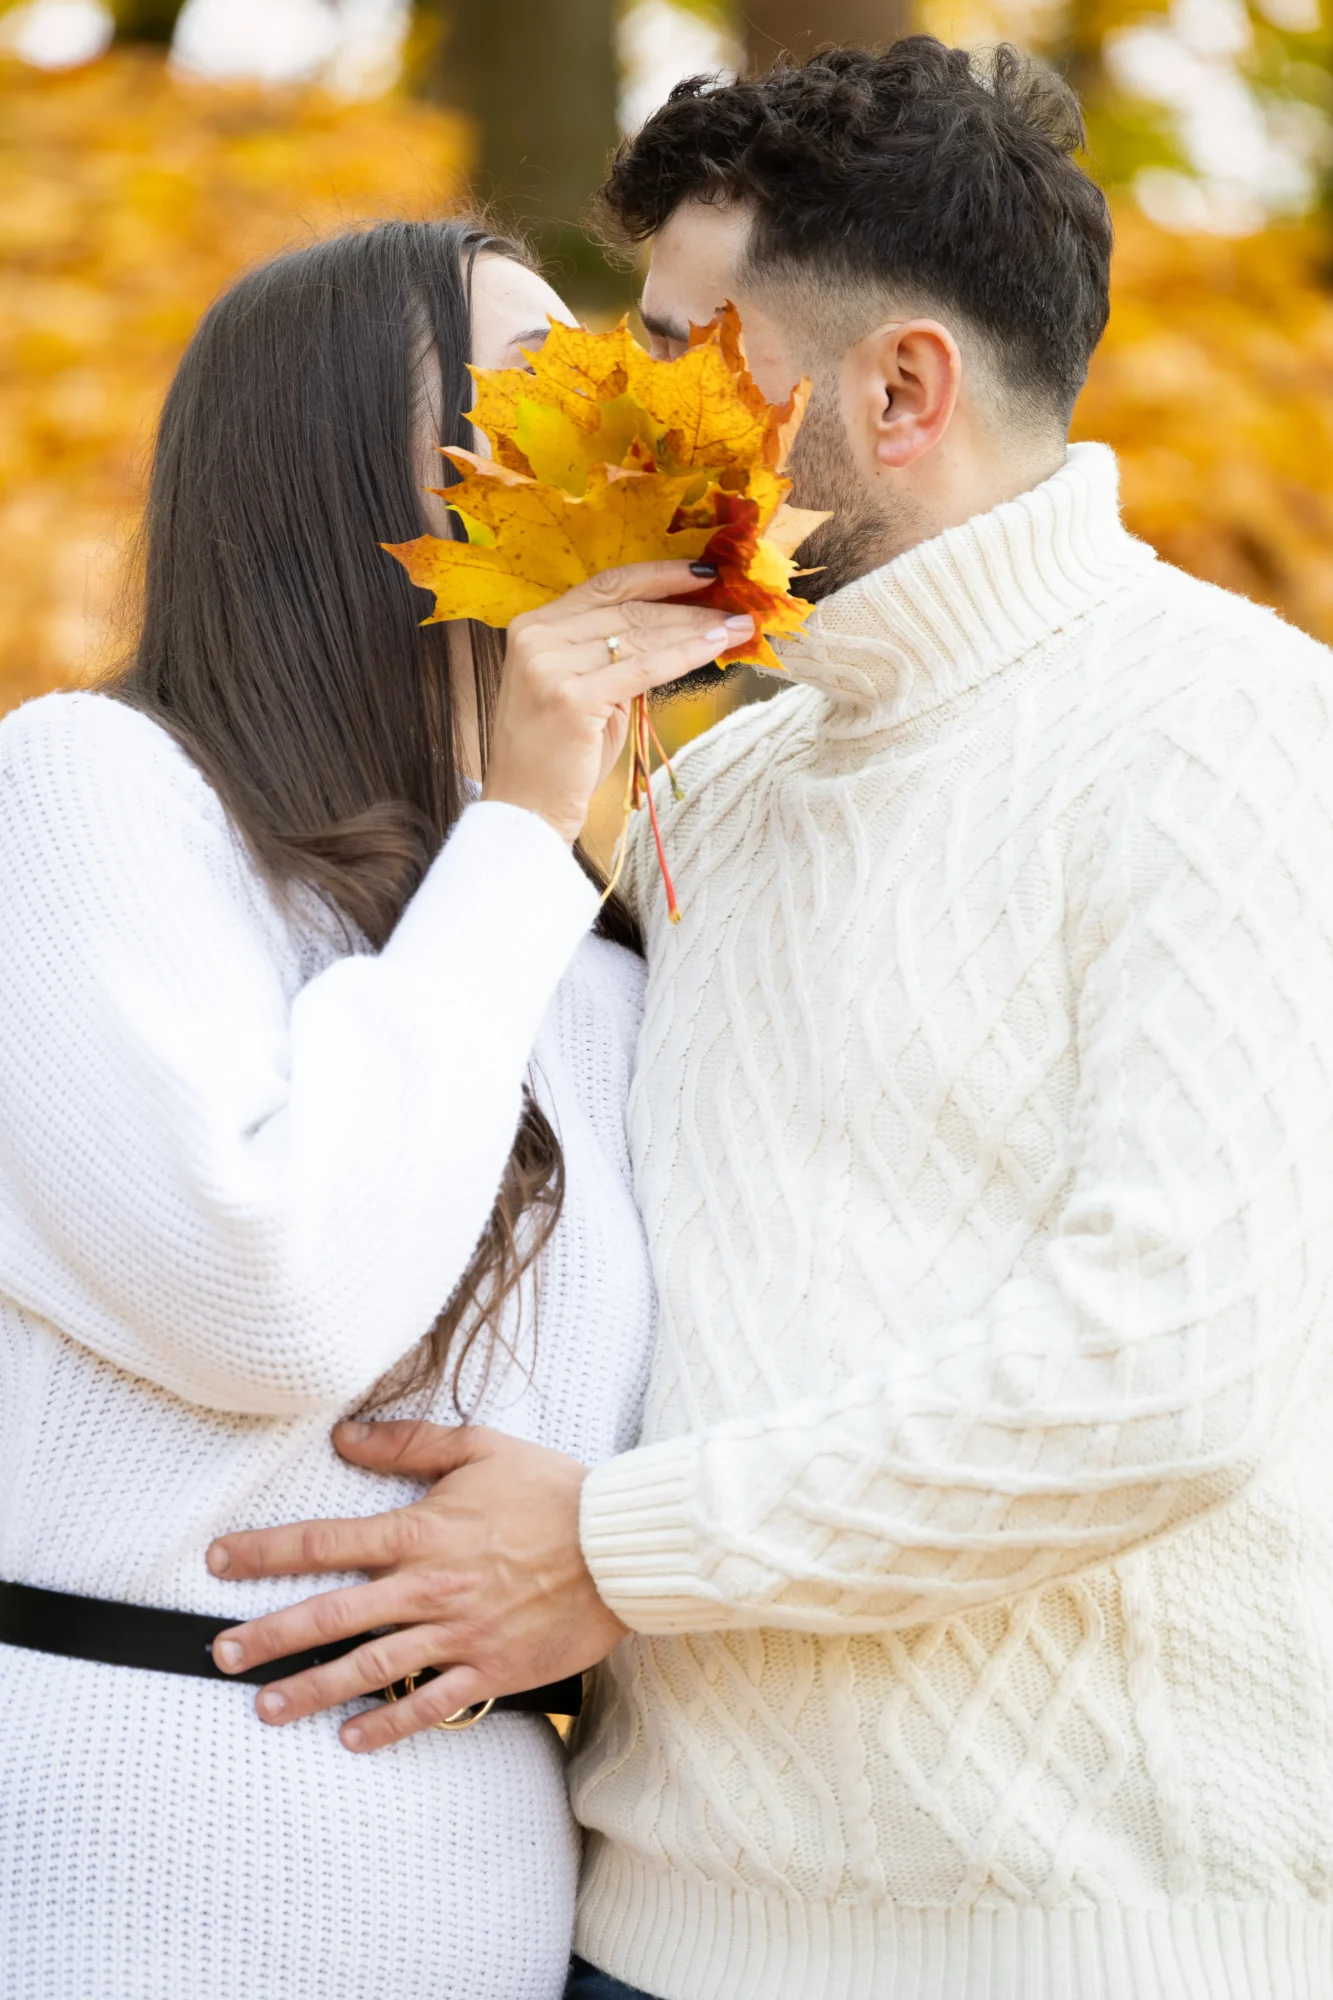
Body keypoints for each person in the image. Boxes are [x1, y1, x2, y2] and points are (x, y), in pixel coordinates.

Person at [204, 41, 1333, 2000]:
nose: (614, 408)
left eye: (676, 352)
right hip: (638, 1941)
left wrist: (616, 1548)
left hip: (1070, 1955)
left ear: (899, 391)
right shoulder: (707, 790)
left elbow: (1160, 1378)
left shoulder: (1230, 733)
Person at [0, 215, 757, 2000]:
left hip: (499, 1897)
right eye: (523, 394)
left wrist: (604, 1562)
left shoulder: (585, 960)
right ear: (341, 469)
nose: (598, 435)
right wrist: (522, 816)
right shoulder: (88, 790)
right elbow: (277, 1297)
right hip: (139, 1867)